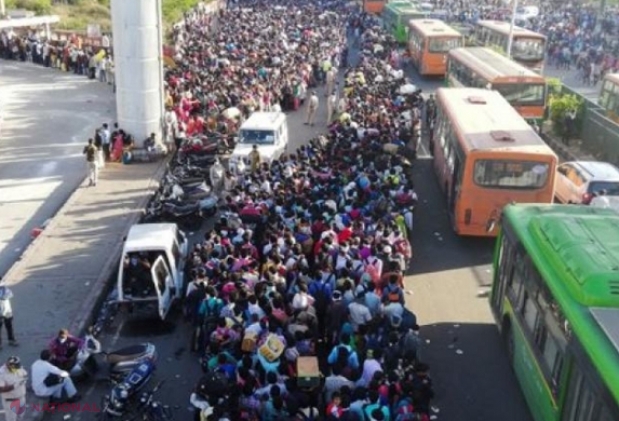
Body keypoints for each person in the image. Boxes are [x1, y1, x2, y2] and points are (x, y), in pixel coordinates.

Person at [0, 356, 27, 421]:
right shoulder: (2, 374)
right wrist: (15, 386)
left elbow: (24, 374)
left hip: (21, 398)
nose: (17, 369)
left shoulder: (18, 368)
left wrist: (23, 379)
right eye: (15, 367)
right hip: (10, 401)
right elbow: (1, 389)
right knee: (11, 419)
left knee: (20, 417)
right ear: (9, 365)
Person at [0, 279, 18, 348]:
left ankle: (11, 340)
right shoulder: (5, 289)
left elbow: (9, 295)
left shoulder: (5, 289)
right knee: (7, 327)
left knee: (9, 327)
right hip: (5, 311)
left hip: (7, 311)